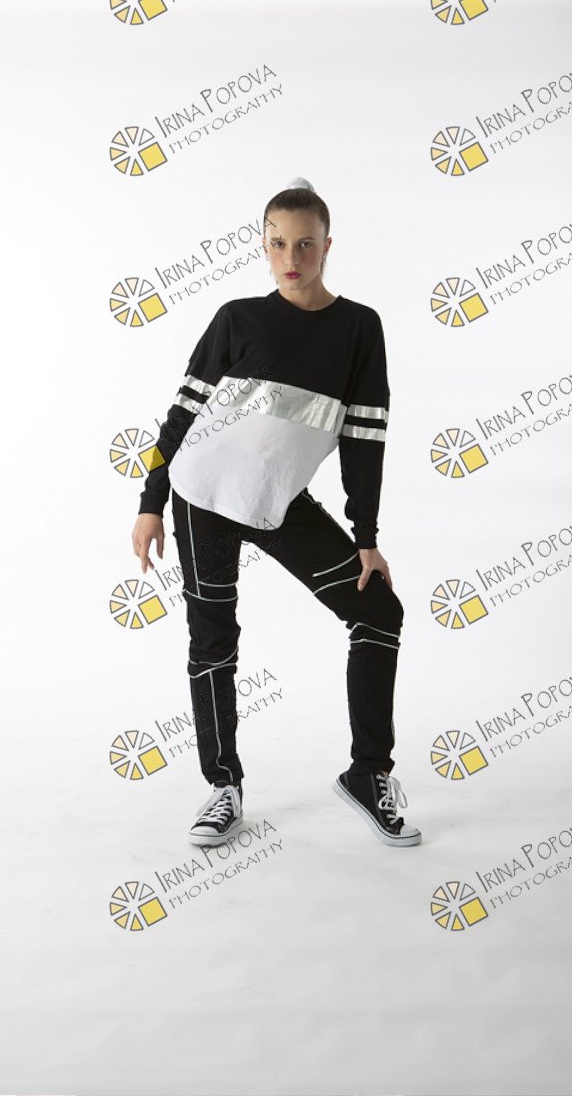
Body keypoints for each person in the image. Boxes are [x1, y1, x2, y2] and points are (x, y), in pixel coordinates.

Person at [131, 178, 421, 849]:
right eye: (278, 244)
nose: (292, 258)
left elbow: (365, 439)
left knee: (378, 611)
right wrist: (150, 502)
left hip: (279, 501)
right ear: (264, 247)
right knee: (213, 640)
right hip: (202, 495)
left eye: (306, 244)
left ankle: (368, 773)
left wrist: (367, 538)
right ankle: (223, 786)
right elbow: (182, 414)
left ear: (327, 245)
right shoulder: (238, 318)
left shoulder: (359, 329)